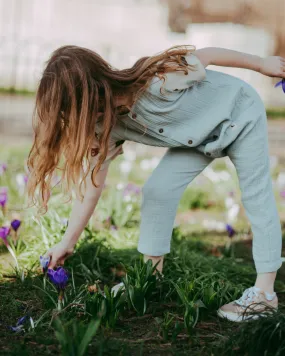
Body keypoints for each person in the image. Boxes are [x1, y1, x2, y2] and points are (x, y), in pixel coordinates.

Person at [27, 44, 285, 322]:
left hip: (239, 114)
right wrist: (68, 242)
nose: (87, 122)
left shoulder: (159, 80)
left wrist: (261, 63)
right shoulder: (103, 127)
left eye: (85, 110)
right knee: (157, 191)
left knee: (255, 195)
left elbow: (208, 55)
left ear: (98, 89)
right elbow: (92, 186)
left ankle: (265, 294)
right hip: (197, 138)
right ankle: (151, 277)